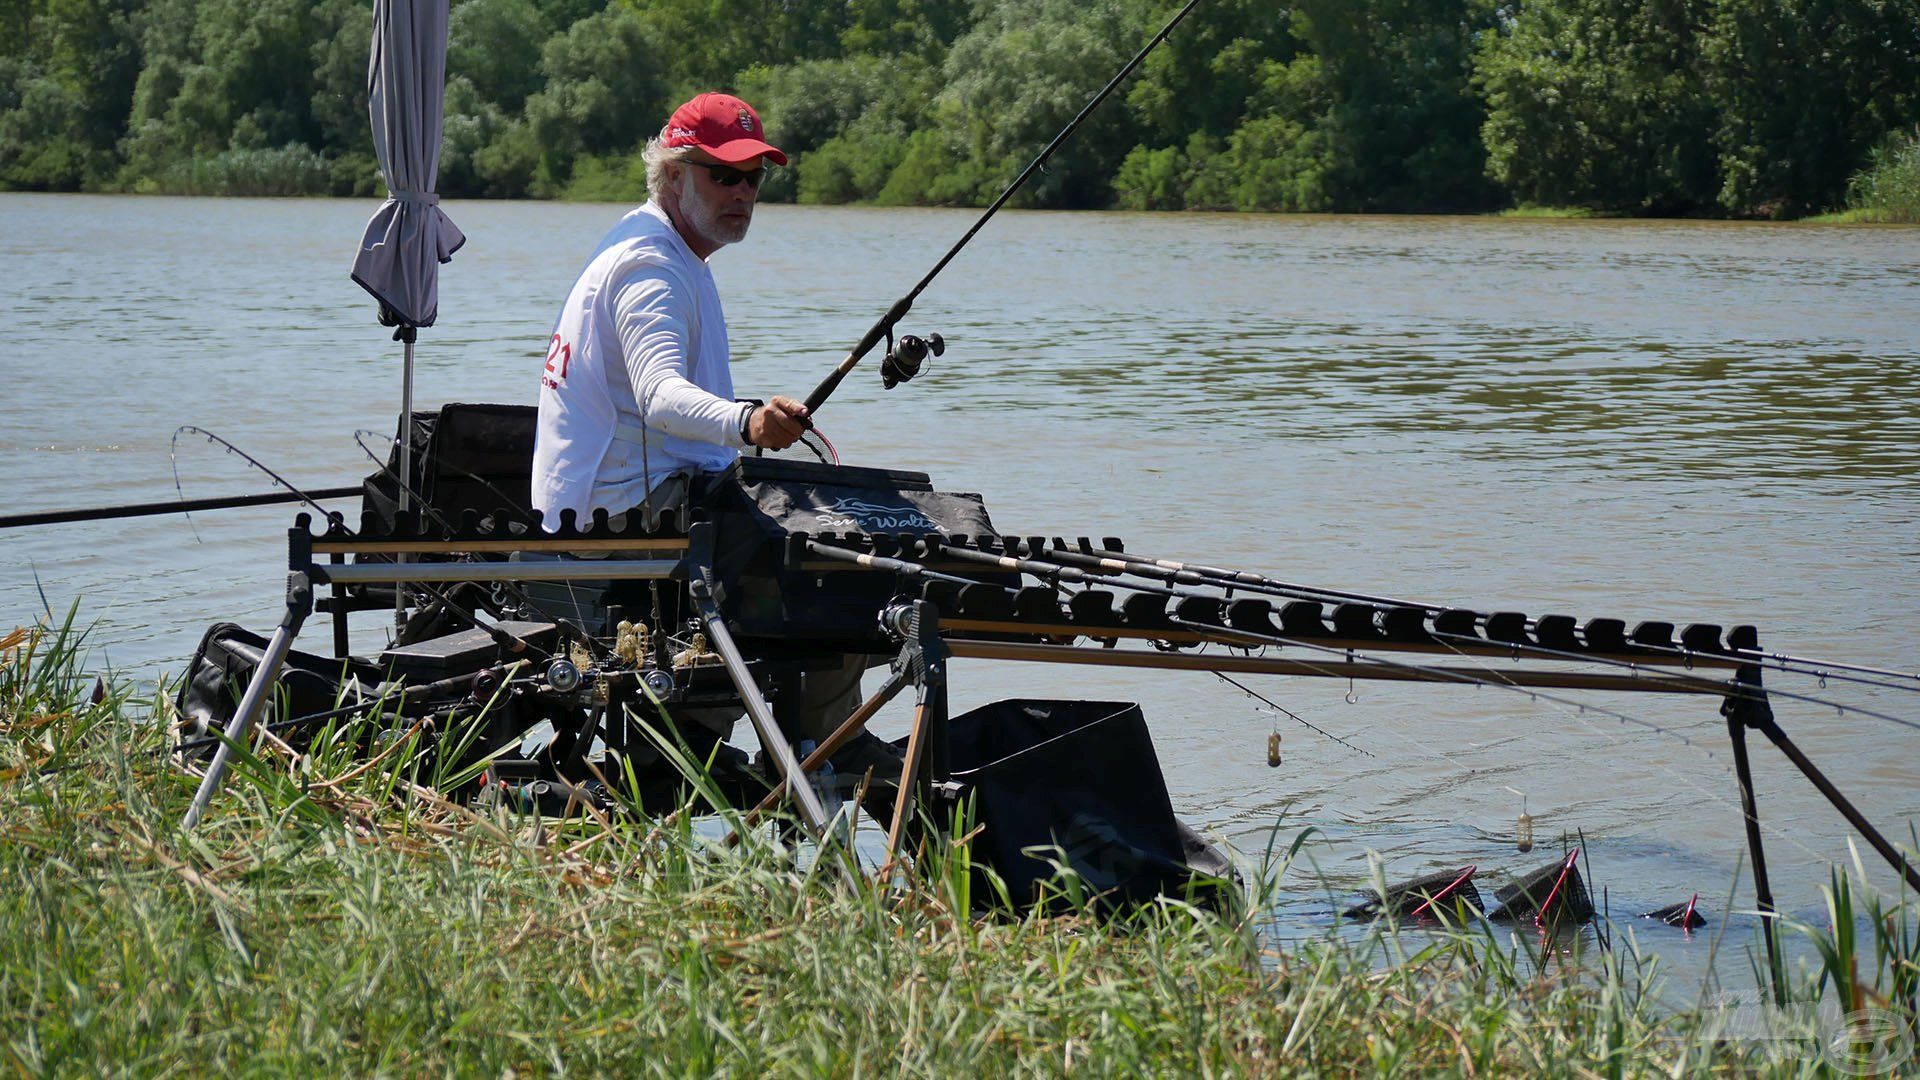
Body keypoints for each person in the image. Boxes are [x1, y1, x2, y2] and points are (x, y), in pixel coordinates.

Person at [529, 92, 894, 780]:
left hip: (648, 495)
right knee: (836, 568)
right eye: (723, 175)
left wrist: (742, 424)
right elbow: (660, 396)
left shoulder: (661, 250)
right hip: (626, 514)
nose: (743, 193)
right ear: (672, 176)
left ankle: (796, 747)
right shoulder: (652, 268)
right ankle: (821, 749)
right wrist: (746, 420)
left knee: (823, 544)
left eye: (753, 178)